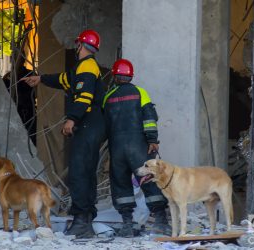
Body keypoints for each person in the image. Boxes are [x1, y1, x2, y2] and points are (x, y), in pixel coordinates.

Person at [21, 29, 106, 238]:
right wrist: (41, 79)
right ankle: (85, 219)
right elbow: (64, 79)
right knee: (84, 172)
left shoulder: (87, 67)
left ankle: (81, 221)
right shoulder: (83, 67)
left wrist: (72, 119)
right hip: (90, 126)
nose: (75, 48)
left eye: (77, 45)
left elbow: (84, 96)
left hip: (87, 125)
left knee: (79, 172)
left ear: (82, 46)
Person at [102, 58, 171, 237]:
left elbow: (105, 124)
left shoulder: (108, 97)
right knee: (149, 180)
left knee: (120, 183)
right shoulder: (140, 93)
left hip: (117, 148)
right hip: (138, 147)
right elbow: (149, 118)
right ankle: (161, 221)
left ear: (115, 75)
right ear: (130, 75)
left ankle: (127, 225)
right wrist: (152, 139)